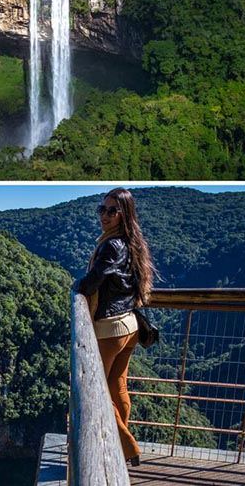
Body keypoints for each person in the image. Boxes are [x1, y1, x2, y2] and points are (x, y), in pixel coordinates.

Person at [73, 187, 156, 467]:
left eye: (111, 211)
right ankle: (122, 442)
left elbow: (94, 279)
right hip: (130, 325)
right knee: (117, 385)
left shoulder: (111, 245)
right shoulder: (132, 242)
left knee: (97, 388)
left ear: (124, 214)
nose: (104, 216)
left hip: (109, 328)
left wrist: (77, 286)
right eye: (102, 209)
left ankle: (127, 447)